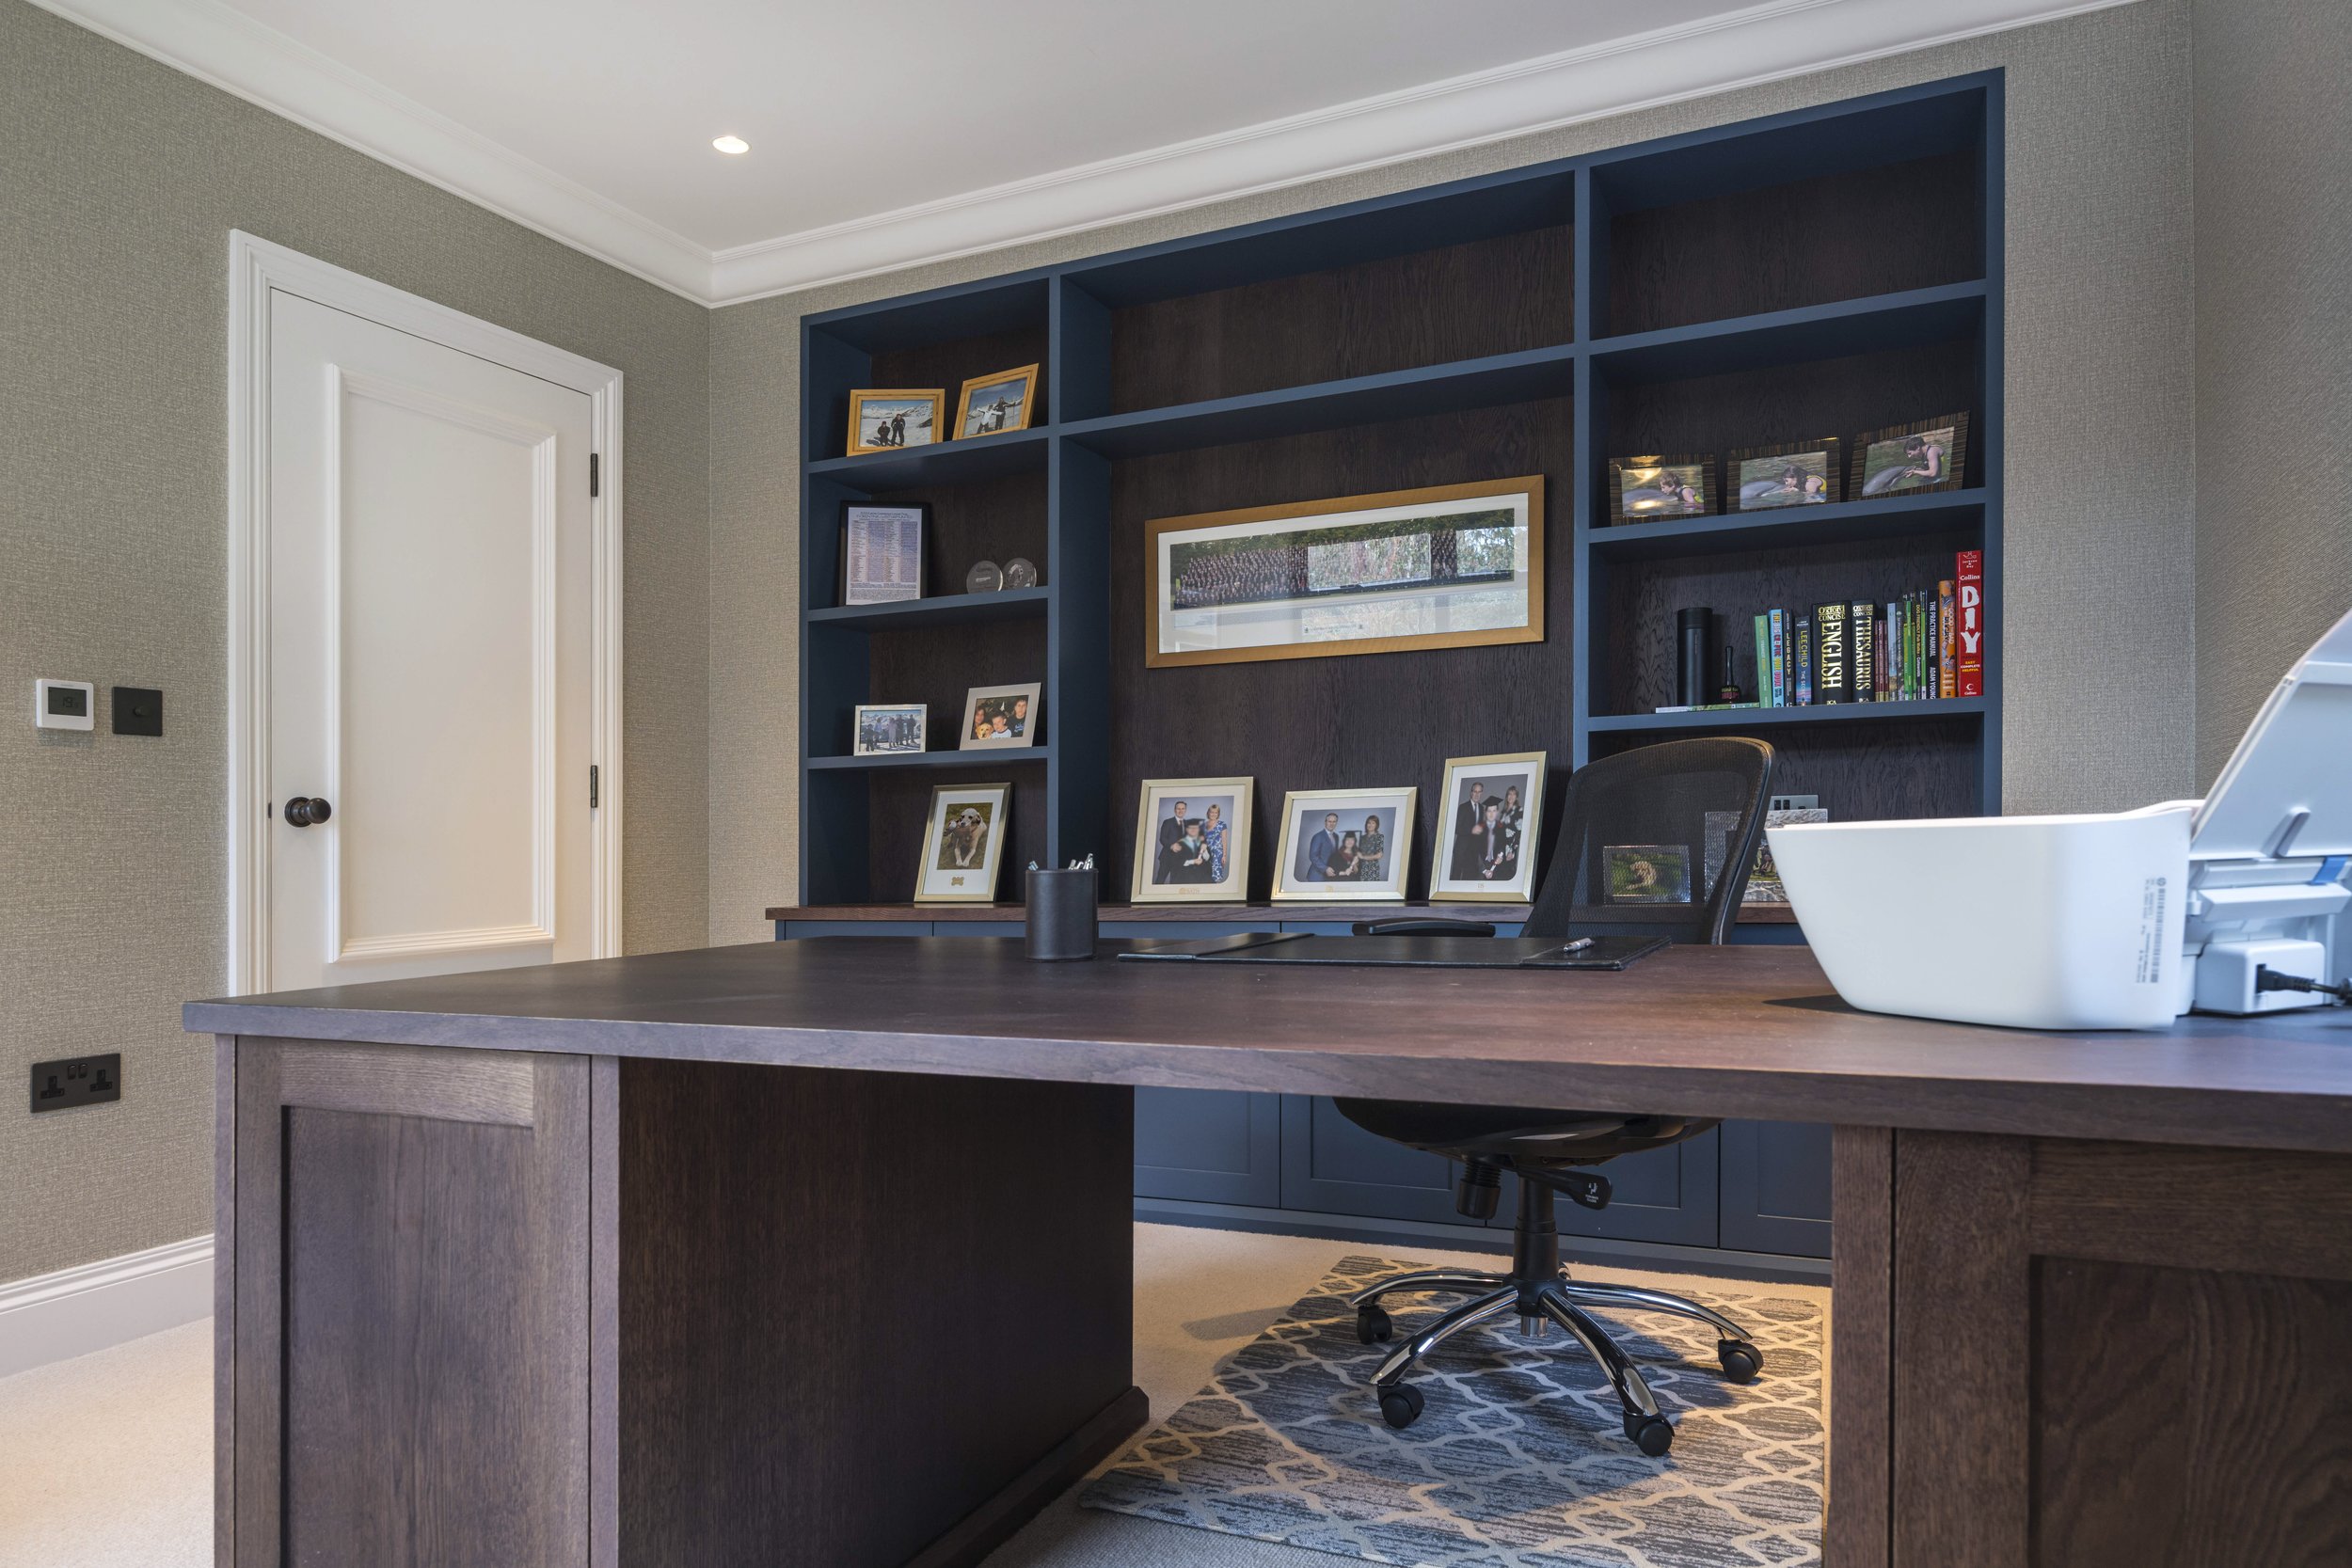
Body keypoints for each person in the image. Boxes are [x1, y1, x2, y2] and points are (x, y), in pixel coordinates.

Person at [1450, 783, 1487, 880]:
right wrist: (1471, 830)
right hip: (1461, 850)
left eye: (1479, 792)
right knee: (1455, 877)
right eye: (1475, 791)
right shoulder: (1462, 807)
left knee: (1469, 878)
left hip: (1473, 852)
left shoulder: (1482, 808)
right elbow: (1456, 828)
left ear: (1482, 793)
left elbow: (1480, 829)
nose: (1477, 794)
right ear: (1471, 792)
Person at [1156, 800, 1190, 883]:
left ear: (1185, 810)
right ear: (1175, 810)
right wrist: (1172, 846)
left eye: (1183, 809)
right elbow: (1162, 838)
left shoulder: (1187, 824)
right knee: (1159, 881)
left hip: (1180, 860)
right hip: (1167, 858)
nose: (1180, 811)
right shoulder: (1168, 822)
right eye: (1178, 809)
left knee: (1175, 883)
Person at [1306, 812, 1341, 882]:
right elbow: (1313, 856)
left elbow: (1334, 855)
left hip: (1330, 875)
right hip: (1317, 875)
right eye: (1329, 821)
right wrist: (1325, 869)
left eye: (1334, 822)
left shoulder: (1336, 837)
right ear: (1325, 822)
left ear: (1336, 823)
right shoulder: (1318, 836)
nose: (1332, 824)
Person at [1355, 813, 1386, 883]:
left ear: (1376, 825)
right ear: (1366, 824)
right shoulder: (1362, 838)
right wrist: (1355, 864)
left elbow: (1379, 855)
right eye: (1368, 823)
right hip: (1361, 868)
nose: (1370, 825)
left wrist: (1363, 857)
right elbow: (1359, 854)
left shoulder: (1379, 837)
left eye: (1373, 823)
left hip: (1372, 869)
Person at [1202, 802, 1229, 885]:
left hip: (1217, 854)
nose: (1213, 814)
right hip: (1206, 853)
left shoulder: (1222, 825)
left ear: (1218, 814)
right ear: (1208, 813)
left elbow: (1224, 840)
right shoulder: (1204, 824)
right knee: (1205, 875)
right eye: (1212, 812)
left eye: (1215, 812)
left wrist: (1224, 855)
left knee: (1216, 876)